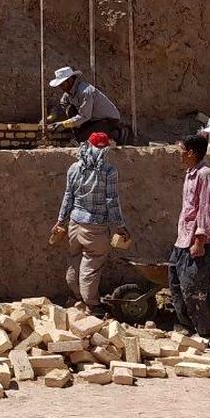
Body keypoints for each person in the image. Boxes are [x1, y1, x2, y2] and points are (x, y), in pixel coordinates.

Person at [50, 132, 128, 316]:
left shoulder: (74, 168)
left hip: (74, 225)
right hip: (95, 226)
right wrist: (120, 226)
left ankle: (76, 297)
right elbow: (112, 201)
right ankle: (91, 304)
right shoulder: (109, 171)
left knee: (74, 260)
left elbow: (68, 197)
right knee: (91, 267)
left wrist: (60, 220)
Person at [169, 134, 210, 338]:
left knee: (195, 290)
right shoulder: (190, 173)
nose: (179, 156)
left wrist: (199, 240)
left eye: (181, 151)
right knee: (177, 285)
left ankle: (205, 332)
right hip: (182, 240)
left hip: (196, 241)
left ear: (191, 153)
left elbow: (206, 209)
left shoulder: (207, 174)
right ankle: (188, 328)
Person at [45, 66, 123, 143]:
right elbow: (61, 106)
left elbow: (84, 116)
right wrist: (50, 118)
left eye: (62, 84)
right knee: (70, 109)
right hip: (92, 120)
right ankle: (79, 137)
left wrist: (63, 124)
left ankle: (115, 133)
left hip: (108, 120)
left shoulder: (85, 91)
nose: (60, 87)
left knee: (83, 139)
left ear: (70, 80)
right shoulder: (68, 93)